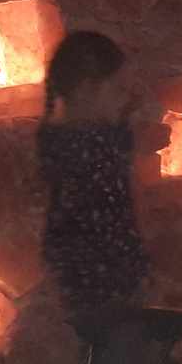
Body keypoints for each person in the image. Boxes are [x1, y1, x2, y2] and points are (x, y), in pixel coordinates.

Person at [35, 30, 157, 329]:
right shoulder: (85, 145)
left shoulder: (67, 139)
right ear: (87, 89)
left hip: (98, 277)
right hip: (95, 282)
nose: (124, 98)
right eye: (118, 89)